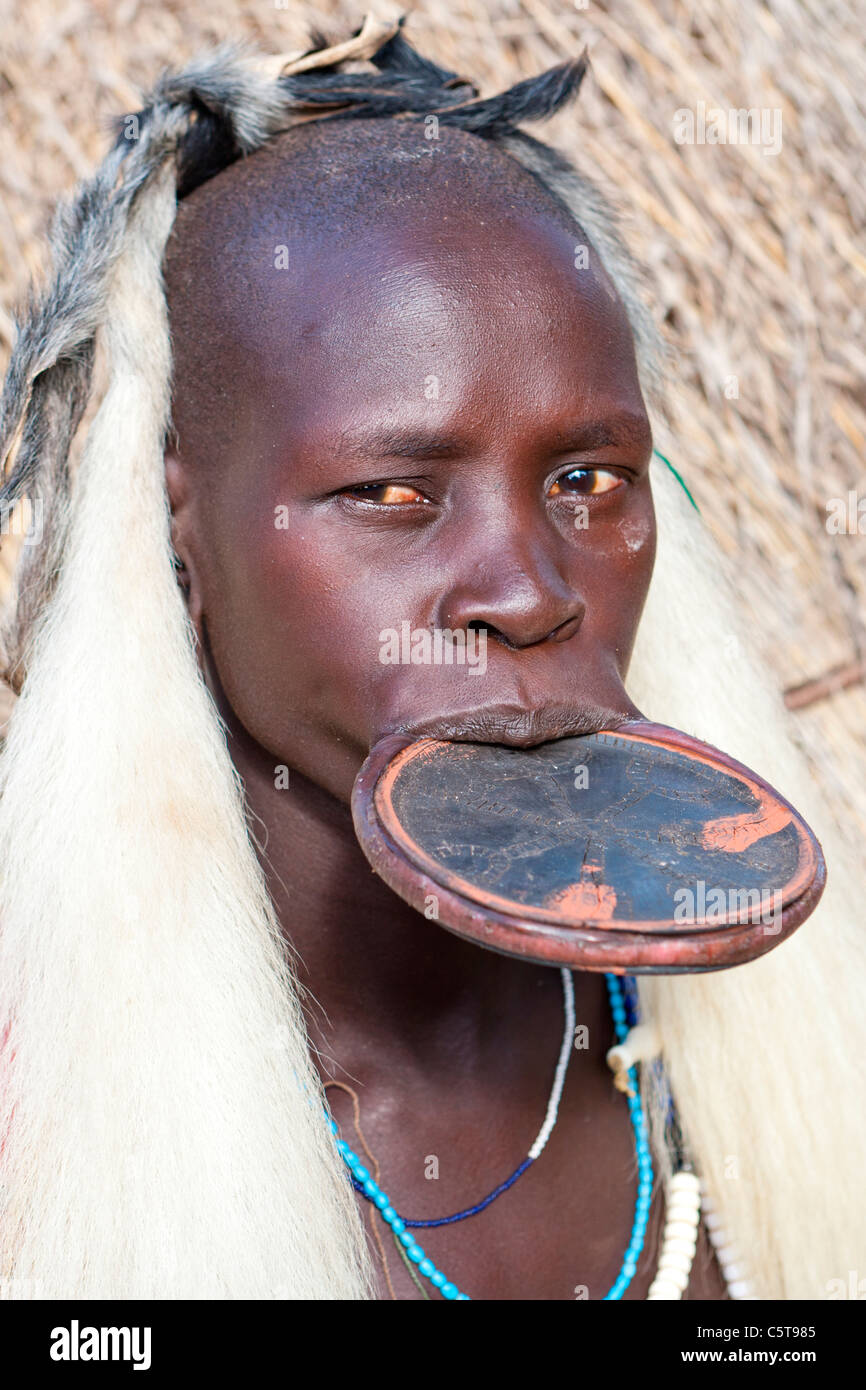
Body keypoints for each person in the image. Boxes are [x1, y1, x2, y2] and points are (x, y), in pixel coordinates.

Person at [0, 16, 863, 1301]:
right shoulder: (38, 1148)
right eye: (396, 496)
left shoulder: (783, 1073)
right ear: (173, 530)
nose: (526, 590)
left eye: (586, 480)